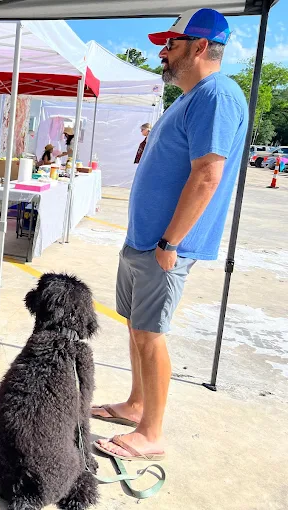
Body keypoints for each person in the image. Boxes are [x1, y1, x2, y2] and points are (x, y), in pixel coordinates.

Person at [92, 8, 248, 461]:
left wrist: (171, 242)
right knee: (138, 327)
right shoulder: (190, 97)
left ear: (200, 47)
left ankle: (152, 432)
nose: (163, 51)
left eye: (171, 44)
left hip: (165, 245)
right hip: (146, 240)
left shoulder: (216, 95)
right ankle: (136, 404)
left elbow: (207, 176)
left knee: (149, 333)